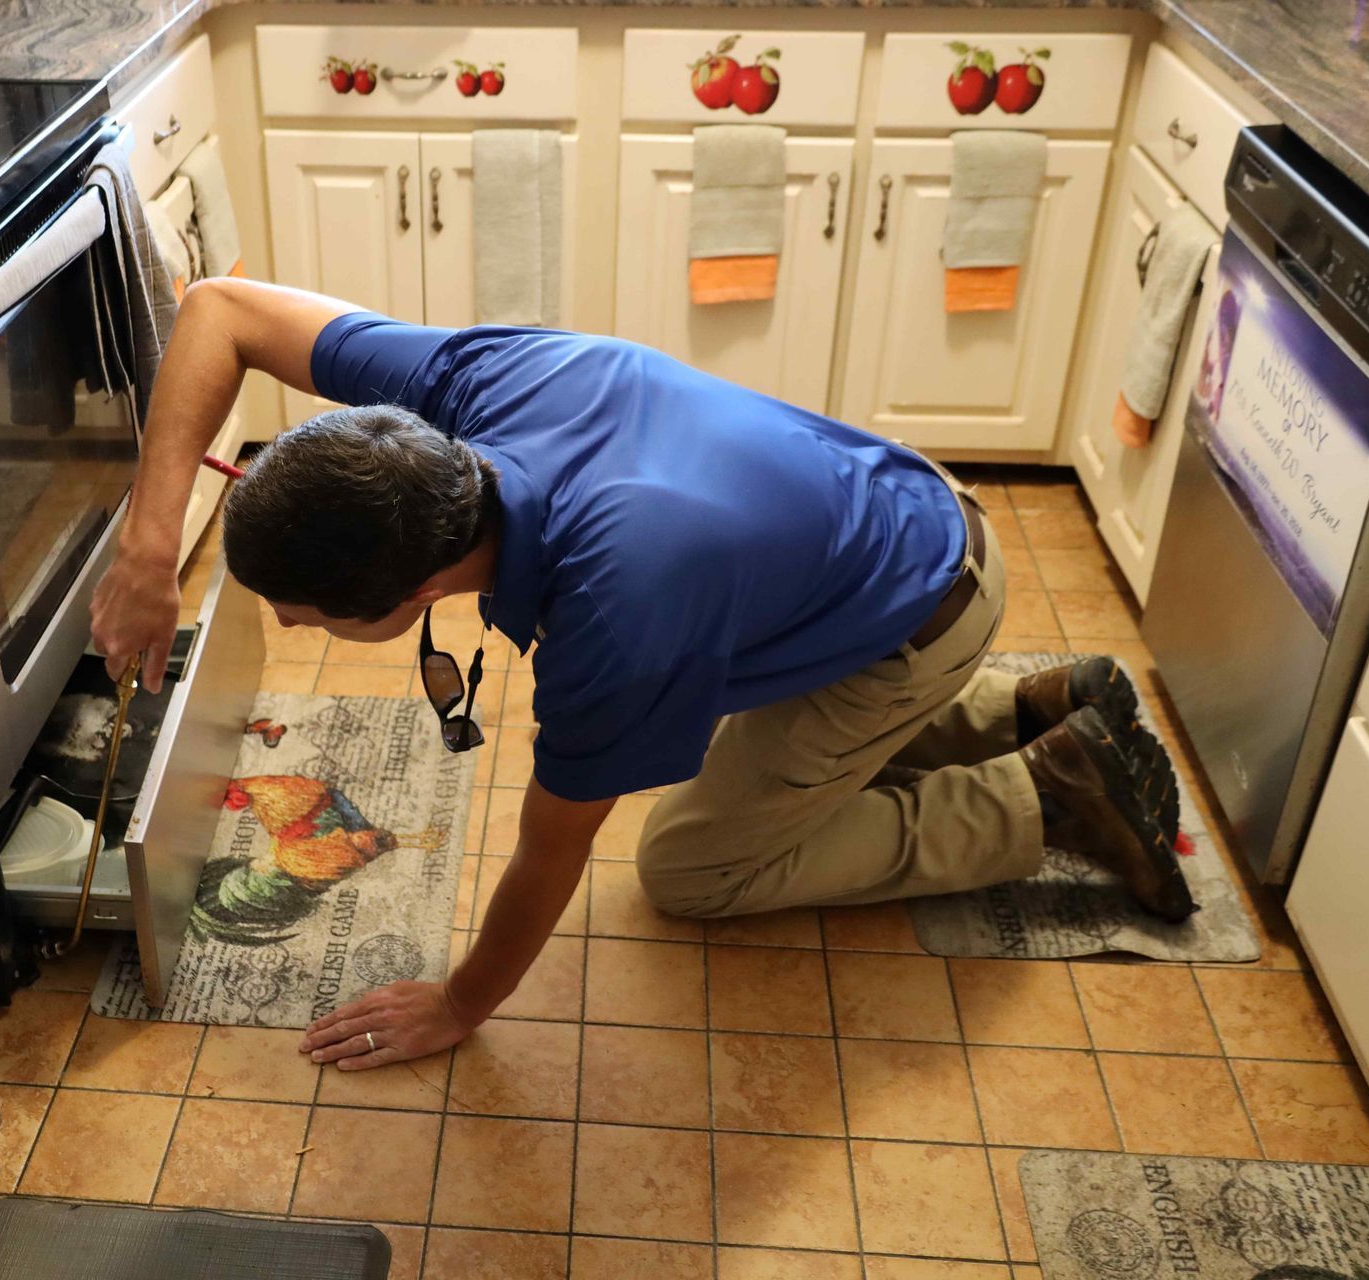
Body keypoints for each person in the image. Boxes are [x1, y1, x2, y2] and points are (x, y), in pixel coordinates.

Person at [89, 278, 1194, 1073]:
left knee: (689, 864)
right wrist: (150, 545)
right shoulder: (463, 394)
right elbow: (218, 310)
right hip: (883, 516)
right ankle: (1027, 703)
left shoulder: (615, 609)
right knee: (747, 746)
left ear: (415, 594)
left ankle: (1047, 789)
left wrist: (463, 1000)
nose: (291, 623)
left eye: (308, 616)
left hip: (913, 614)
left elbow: (553, 842)